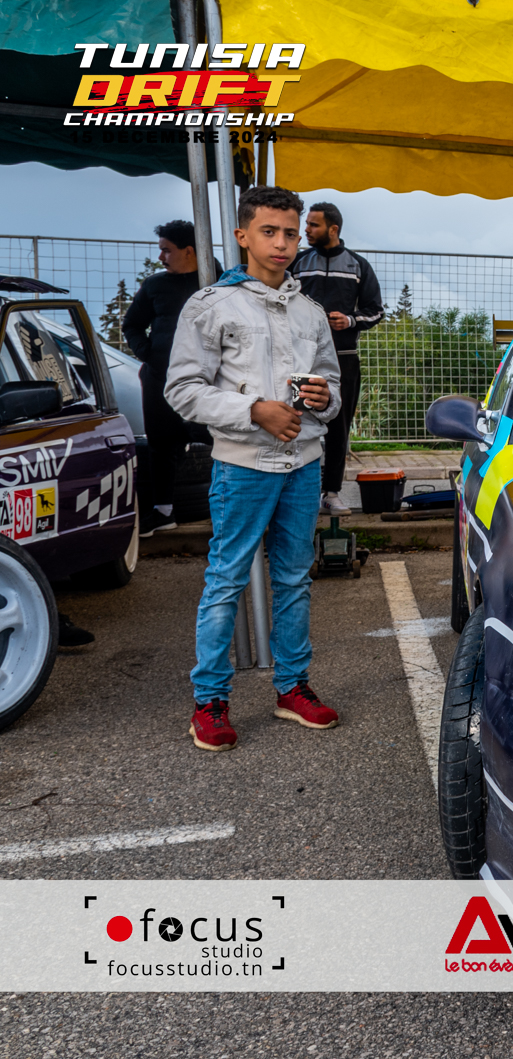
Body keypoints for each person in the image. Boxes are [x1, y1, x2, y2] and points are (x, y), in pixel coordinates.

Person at [166, 186, 343, 752]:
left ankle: (292, 688)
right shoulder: (211, 305)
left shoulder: (310, 312)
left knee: (294, 578)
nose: (282, 243)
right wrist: (253, 410)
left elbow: (333, 387)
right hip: (243, 466)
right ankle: (209, 703)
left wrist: (324, 398)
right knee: (227, 579)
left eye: (290, 232)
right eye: (269, 231)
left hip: (304, 463)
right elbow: (183, 390)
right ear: (243, 236)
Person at [121, 220, 220, 535]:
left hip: (209, 382)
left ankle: (232, 507)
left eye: (166, 250)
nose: (161, 257)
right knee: (161, 445)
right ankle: (163, 513)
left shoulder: (219, 281)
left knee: (222, 439)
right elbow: (131, 325)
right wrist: (149, 355)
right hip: (160, 379)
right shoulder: (155, 285)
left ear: (189, 251)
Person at [289, 202, 383, 516]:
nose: (306, 230)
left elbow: (376, 311)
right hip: (301, 360)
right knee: (297, 420)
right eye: (306, 224)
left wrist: (350, 320)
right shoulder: (298, 262)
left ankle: (331, 493)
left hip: (344, 359)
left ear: (333, 229)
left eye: (313, 225)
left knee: (339, 428)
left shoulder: (358, 265)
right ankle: (298, 493)